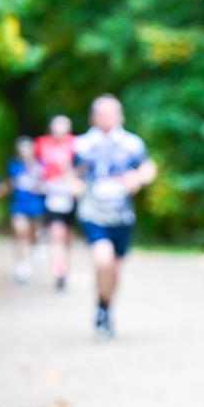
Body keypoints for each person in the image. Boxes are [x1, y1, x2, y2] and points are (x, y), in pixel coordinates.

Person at [75, 95, 156, 336]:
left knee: (115, 269)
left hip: (121, 215)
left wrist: (138, 178)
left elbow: (148, 167)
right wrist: (74, 185)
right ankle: (102, 308)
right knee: (103, 259)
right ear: (93, 117)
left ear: (121, 116)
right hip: (93, 212)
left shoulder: (132, 144)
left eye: (112, 113)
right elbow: (70, 172)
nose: (107, 118)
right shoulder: (83, 145)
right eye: (102, 113)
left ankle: (104, 307)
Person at [36, 115, 78, 290]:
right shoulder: (42, 143)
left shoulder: (76, 144)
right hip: (52, 193)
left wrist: (74, 179)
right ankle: (58, 270)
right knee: (56, 233)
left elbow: (83, 166)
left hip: (71, 194)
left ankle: (65, 267)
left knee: (68, 236)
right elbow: (36, 166)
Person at [7, 136, 46, 283]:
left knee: (33, 231)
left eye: (27, 149)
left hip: (36, 204)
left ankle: (36, 243)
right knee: (20, 232)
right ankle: (22, 264)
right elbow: (11, 183)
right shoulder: (14, 165)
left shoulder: (41, 163)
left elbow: (45, 181)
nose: (24, 152)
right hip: (19, 204)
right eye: (22, 149)